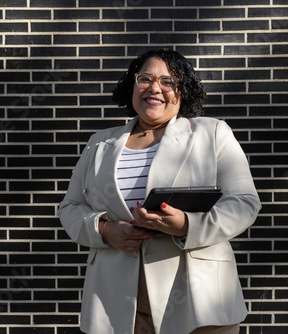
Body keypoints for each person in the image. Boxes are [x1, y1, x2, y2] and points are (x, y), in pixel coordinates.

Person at [58, 49, 261, 334]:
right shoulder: (98, 143)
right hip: (117, 304)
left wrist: (187, 225)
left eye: (168, 81)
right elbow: (70, 207)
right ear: (132, 85)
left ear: (182, 92)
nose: (155, 88)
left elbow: (243, 203)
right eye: (145, 79)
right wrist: (104, 230)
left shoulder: (212, 133)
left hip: (199, 301)